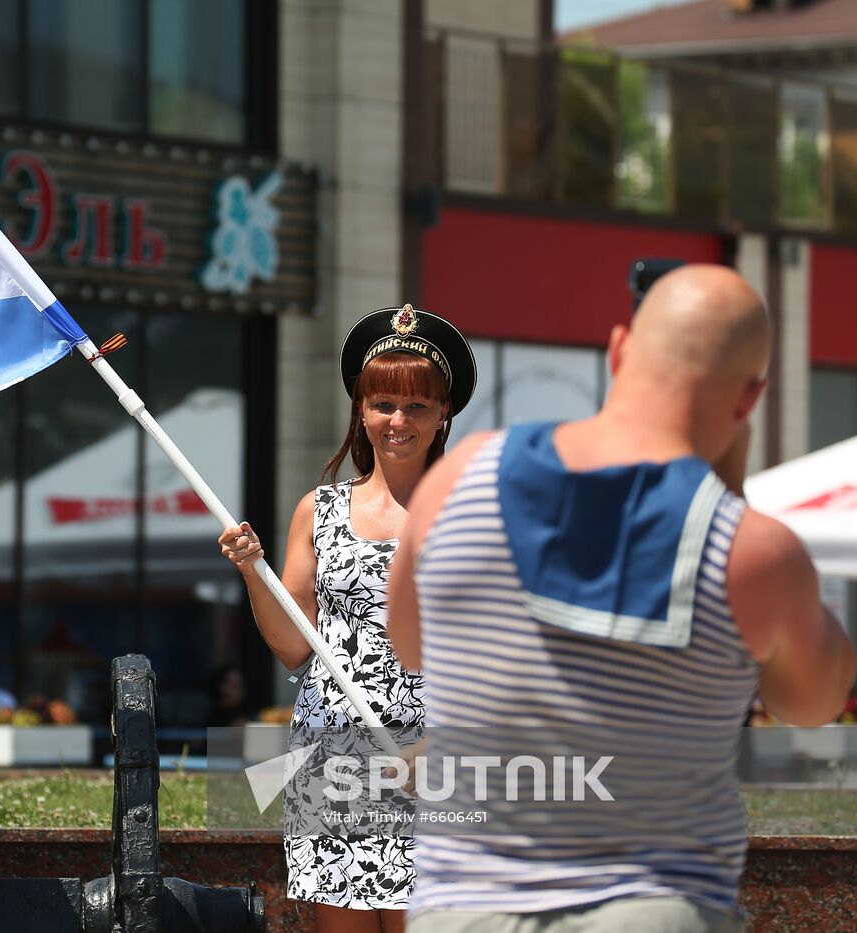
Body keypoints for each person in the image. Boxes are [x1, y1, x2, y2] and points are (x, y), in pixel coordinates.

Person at [386, 265, 856, 932]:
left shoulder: (460, 477)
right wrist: (730, 494)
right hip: (652, 906)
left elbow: (410, 641)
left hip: (466, 905)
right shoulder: (751, 552)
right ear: (750, 399)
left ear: (617, 349)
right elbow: (814, 701)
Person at [219, 305, 477, 933]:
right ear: (361, 410)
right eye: (383, 403)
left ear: (444, 413)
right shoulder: (319, 510)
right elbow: (292, 647)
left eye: (417, 406)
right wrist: (254, 573)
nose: (398, 420)